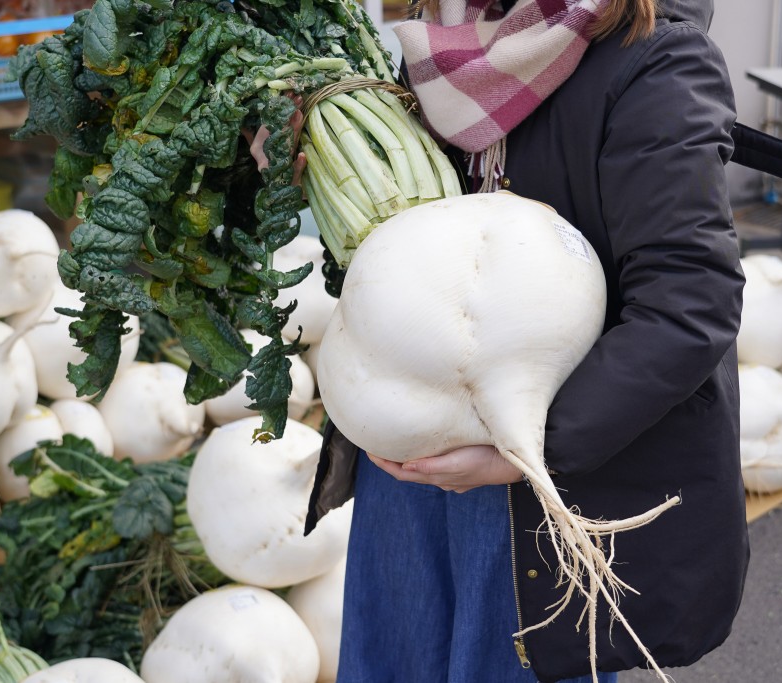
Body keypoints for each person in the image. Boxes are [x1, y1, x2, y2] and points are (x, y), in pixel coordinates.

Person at [297, 0, 750, 681]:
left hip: (544, 477)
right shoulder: (446, 55)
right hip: (408, 455)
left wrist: (533, 450)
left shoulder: (656, 59)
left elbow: (689, 305)